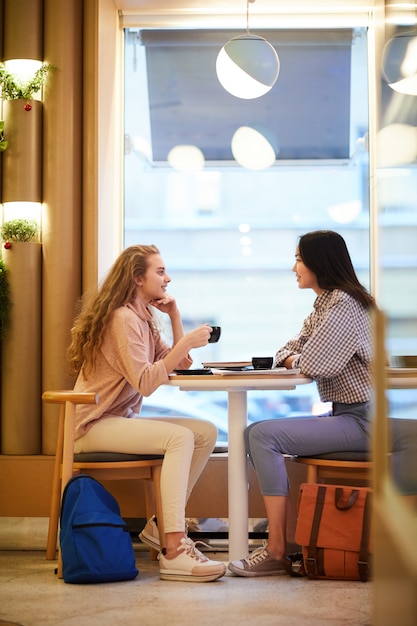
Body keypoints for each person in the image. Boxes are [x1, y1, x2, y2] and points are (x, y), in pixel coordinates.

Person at [67, 244, 226, 583]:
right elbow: (146, 382)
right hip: (92, 425)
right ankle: (173, 548)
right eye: (160, 272)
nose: (167, 278)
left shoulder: (143, 317)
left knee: (205, 431)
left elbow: (180, 365)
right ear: (138, 279)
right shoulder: (122, 318)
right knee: (180, 437)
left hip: (118, 421)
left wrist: (175, 317)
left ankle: (161, 526)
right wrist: (185, 343)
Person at [228, 230, 376, 577]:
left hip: (364, 421)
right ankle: (281, 545)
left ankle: (277, 548)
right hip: (349, 415)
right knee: (255, 433)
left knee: (262, 435)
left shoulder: (344, 305)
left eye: (298, 258)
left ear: (318, 262)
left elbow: (313, 364)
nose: (294, 267)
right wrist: (295, 356)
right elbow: (287, 349)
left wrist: (296, 357)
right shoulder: (326, 304)